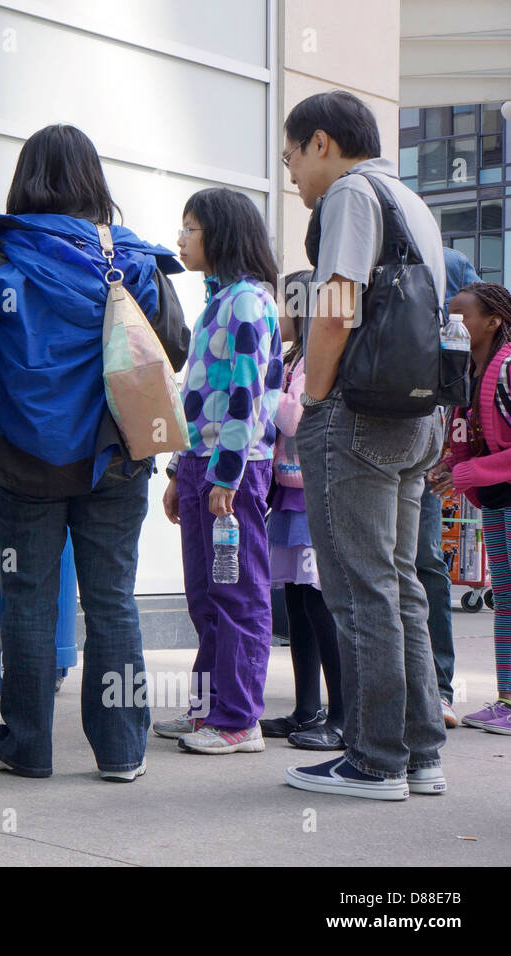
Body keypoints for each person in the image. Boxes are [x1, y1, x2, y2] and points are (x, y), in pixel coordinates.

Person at [0, 124, 188, 782]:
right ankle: (121, 751)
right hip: (116, 452)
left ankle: (25, 746)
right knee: (112, 600)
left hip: (22, 457)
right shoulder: (134, 260)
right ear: (95, 181)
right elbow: (175, 346)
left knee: (27, 598)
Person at [281, 90, 447, 800]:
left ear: (322, 142)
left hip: (357, 416)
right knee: (400, 584)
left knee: (358, 589)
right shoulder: (412, 201)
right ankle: (419, 753)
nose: (291, 177)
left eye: (291, 158)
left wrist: (314, 398)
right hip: (415, 417)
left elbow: (337, 304)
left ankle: (375, 759)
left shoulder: (349, 194)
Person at [155, 187, 282, 755]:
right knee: (206, 593)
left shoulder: (249, 302)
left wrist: (225, 476)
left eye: (191, 228)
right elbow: (197, 399)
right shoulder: (218, 301)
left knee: (238, 593)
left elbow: (246, 397)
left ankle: (239, 719)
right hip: (205, 468)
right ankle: (209, 710)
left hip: (235, 472)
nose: (181, 238)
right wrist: (182, 471)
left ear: (221, 234)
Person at [259, 270, 345, 751]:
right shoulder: (293, 358)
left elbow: (292, 417)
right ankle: (306, 708)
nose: (276, 314)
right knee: (295, 601)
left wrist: (264, 392)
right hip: (289, 494)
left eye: (283, 304)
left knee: (319, 604)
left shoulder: (318, 359)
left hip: (314, 494)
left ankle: (341, 714)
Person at [429, 282, 511, 734]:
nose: (450, 322)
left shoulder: (507, 369)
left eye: (460, 315)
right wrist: (447, 467)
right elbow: (469, 442)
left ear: (493, 321)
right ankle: (506, 700)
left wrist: (464, 475)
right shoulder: (468, 373)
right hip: (498, 502)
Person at [419, 247, 482, 729]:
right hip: (384, 428)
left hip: (429, 443)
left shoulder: (448, 264)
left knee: (426, 563)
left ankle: (438, 687)